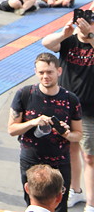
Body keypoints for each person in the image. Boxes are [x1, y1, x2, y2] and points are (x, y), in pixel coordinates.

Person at [8, 52, 84, 212]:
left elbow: (78, 134)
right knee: (33, 207)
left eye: (49, 72)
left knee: (59, 208)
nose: (45, 76)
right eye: (41, 72)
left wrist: (67, 134)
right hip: (31, 162)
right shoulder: (24, 94)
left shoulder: (71, 100)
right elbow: (12, 129)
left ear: (59, 71)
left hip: (59, 164)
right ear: (35, 72)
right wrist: (33, 122)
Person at [42, 18, 94, 212]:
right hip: (65, 108)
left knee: (89, 156)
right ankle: (76, 190)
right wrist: (65, 33)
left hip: (89, 111)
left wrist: (89, 35)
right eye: (83, 21)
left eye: (90, 21)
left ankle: (91, 202)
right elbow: (46, 43)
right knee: (70, 150)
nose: (86, 25)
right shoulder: (69, 41)